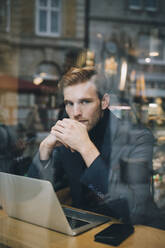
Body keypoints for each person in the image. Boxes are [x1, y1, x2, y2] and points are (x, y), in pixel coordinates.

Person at [28, 67, 165, 229]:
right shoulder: (68, 136)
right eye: (69, 104)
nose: (75, 112)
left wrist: (86, 148)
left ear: (104, 102)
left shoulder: (137, 137)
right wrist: (44, 149)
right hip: (86, 230)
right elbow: (32, 197)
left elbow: (134, 210)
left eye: (85, 102)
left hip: (139, 232)